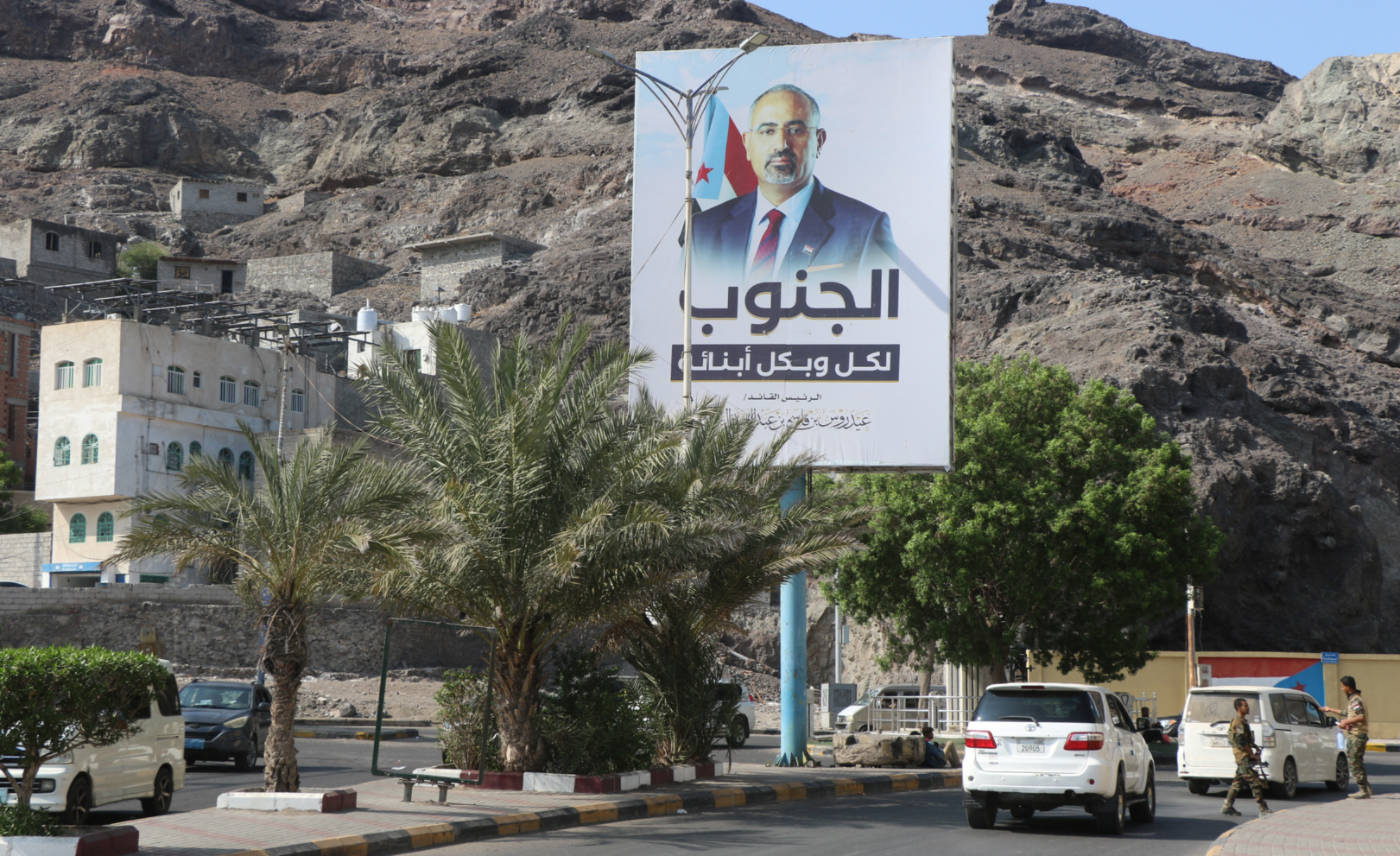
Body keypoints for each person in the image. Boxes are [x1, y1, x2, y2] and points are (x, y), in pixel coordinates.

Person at [689, 84, 899, 292]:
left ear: (819, 141)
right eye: (768, 131)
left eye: (795, 130)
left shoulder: (864, 229)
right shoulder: (704, 230)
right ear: (747, 144)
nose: (781, 144)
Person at [1321, 675, 1371, 798]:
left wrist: (1346, 722)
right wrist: (1330, 709)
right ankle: (1366, 787)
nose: (1342, 689)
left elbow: (1361, 716)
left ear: (1348, 687)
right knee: (1357, 761)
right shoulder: (1353, 700)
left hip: (1357, 735)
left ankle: (1363, 790)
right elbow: (1346, 713)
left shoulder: (1356, 700)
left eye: (1343, 686)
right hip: (1355, 734)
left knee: (1354, 761)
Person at [1221, 697, 1272, 818]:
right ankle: (1262, 808)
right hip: (1242, 757)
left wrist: (1255, 747)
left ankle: (1227, 806)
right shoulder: (1238, 722)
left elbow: (1247, 740)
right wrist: (1252, 754)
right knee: (1254, 782)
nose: (1247, 708)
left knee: (1237, 782)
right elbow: (1241, 742)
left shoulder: (1243, 722)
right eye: (1245, 706)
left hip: (1243, 756)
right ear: (1239, 708)